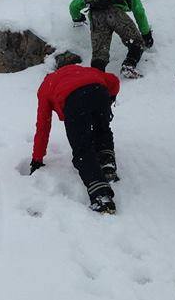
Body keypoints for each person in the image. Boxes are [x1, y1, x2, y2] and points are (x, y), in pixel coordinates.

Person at [30, 52, 122, 214]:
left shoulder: (47, 84)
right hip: (99, 92)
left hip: (74, 101)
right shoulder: (86, 70)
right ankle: (106, 162)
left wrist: (37, 158)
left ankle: (101, 196)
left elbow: (43, 124)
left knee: (82, 148)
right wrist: (110, 97)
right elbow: (113, 80)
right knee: (102, 130)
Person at [69, 0, 152, 78]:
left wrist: (77, 18)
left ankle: (96, 78)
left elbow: (73, 6)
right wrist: (146, 34)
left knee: (99, 53)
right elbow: (139, 11)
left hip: (96, 16)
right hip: (115, 14)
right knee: (136, 42)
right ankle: (129, 65)